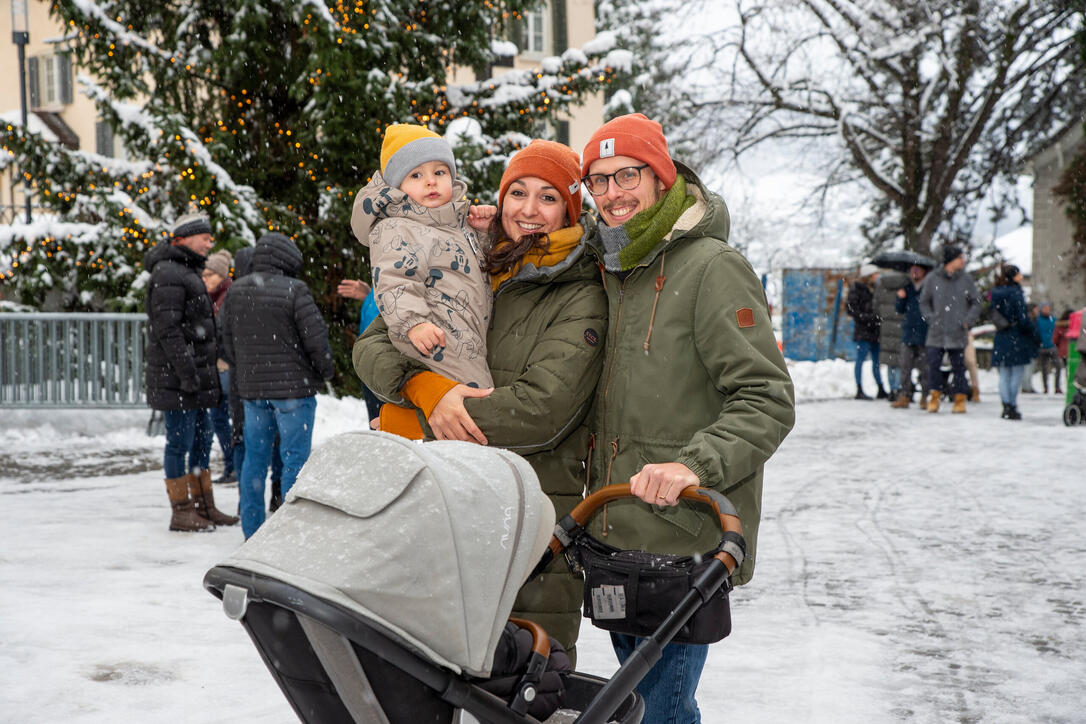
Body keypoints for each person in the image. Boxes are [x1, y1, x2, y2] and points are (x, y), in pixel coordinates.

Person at [355, 139, 607, 662]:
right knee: (442, 680)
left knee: (527, 679)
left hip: (532, 521)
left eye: (548, 197)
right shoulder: (471, 264)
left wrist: (417, 421)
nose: (529, 211)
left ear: (570, 210)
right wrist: (423, 387)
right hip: (451, 506)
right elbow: (372, 345)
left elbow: (542, 410)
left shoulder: (580, 293)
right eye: (517, 192)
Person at [579, 113, 795, 723]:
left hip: (685, 539)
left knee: (659, 711)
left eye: (627, 175)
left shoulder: (711, 267)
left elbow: (766, 397)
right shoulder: (612, 267)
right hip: (616, 529)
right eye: (598, 181)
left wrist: (691, 465)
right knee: (644, 705)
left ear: (661, 176)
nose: (612, 193)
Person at [351, 123, 494, 392]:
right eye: (416, 175)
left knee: (475, 409)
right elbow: (394, 281)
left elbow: (481, 271)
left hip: (470, 337)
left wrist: (486, 235)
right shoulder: (397, 228)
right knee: (475, 405)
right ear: (397, 187)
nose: (430, 181)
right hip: (438, 340)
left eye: (439, 172)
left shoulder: (457, 225)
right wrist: (414, 324)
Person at [221, 232, 335, 538]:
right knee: (294, 461)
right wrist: (324, 371)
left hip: (252, 392)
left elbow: (226, 344)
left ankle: (253, 534)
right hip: (293, 392)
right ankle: (290, 536)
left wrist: (247, 369)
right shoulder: (295, 289)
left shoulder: (237, 290)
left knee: (253, 463)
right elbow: (316, 338)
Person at [144, 213, 238, 531]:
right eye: (205, 238)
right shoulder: (168, 272)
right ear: (183, 238)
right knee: (179, 442)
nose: (210, 243)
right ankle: (181, 510)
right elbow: (167, 330)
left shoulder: (186, 270)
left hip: (195, 376)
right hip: (179, 379)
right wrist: (187, 373)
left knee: (201, 439)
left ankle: (203, 505)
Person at [919, 245, 981, 414]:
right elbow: (923, 302)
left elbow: (976, 302)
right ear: (950, 260)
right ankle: (934, 397)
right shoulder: (932, 278)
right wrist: (931, 318)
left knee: (959, 367)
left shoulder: (966, 279)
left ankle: (960, 399)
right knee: (933, 366)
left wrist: (967, 321)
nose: (963, 261)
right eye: (960, 257)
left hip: (958, 331)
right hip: (936, 332)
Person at [201, 249, 236, 484]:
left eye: (211, 274)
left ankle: (235, 466)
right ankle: (231, 465)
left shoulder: (230, 297)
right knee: (218, 419)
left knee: (229, 418)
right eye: (204, 274)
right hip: (213, 367)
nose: (206, 279)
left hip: (228, 367)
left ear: (222, 276)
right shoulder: (208, 298)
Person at [990, 264, 1041, 420]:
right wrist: (1034, 333)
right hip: (1016, 336)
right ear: (1013, 276)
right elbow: (1023, 318)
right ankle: (1011, 405)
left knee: (1004, 374)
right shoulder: (1016, 293)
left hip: (1001, 336)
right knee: (1016, 374)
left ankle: (1005, 404)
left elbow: (993, 312)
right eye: (1019, 274)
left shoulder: (995, 292)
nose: (1021, 277)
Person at [336, 278, 382, 423]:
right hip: (371, 365)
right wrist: (370, 296)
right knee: (381, 433)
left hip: (388, 364)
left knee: (393, 434)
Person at [891, 264, 930, 409]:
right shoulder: (907, 287)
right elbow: (899, 309)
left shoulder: (929, 287)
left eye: (917, 269)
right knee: (905, 366)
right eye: (912, 269)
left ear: (924, 271)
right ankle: (905, 395)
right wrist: (900, 298)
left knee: (925, 367)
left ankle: (925, 396)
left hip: (924, 333)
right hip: (908, 332)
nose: (914, 272)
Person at [846, 263, 886, 399]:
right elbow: (851, 309)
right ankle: (859, 389)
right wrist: (867, 317)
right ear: (868, 276)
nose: (877, 277)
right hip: (863, 330)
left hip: (875, 330)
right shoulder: (857, 289)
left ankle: (881, 388)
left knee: (876, 361)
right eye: (875, 274)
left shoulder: (876, 289)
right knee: (860, 360)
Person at [874, 268, 907, 402]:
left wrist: (883, 316)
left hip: (886, 325)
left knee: (889, 359)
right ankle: (898, 387)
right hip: (901, 324)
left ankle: (892, 388)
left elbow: (875, 306)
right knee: (899, 360)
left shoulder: (882, 284)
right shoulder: (905, 283)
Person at [1036, 302, 1060, 394]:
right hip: (1042, 347)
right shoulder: (1038, 321)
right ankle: (1045, 387)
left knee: (1058, 367)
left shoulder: (1053, 320)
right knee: (1044, 369)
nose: (1047, 310)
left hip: (1052, 347)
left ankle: (1057, 387)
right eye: (1045, 308)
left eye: (1048, 308)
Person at [1053, 308, 1074, 396]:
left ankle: (1069, 386)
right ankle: (1073, 387)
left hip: (1064, 352)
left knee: (1067, 370)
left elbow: (1055, 339)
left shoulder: (1059, 326)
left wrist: (1060, 347)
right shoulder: (1075, 325)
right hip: (1074, 351)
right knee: (1073, 370)